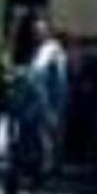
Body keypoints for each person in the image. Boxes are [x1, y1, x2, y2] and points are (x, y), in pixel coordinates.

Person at [0, 55, 55, 194]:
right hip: (27, 124)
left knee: (31, 160)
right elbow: (9, 105)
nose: (6, 79)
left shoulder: (27, 80)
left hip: (32, 126)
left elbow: (35, 104)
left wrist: (22, 122)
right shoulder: (20, 81)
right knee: (21, 160)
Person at [29, 18, 69, 174]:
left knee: (46, 132)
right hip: (56, 96)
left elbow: (38, 71)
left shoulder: (49, 48)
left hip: (51, 97)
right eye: (35, 31)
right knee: (53, 132)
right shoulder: (51, 48)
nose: (36, 34)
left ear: (48, 32)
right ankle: (54, 164)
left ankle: (47, 165)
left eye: (39, 31)